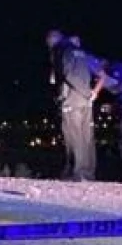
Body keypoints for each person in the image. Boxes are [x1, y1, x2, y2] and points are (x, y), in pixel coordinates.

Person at [45, 29, 97, 181]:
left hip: (72, 97)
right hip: (85, 99)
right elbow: (93, 71)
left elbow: (66, 75)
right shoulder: (81, 52)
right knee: (86, 136)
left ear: (52, 40)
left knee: (73, 136)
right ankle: (88, 173)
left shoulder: (61, 50)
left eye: (49, 43)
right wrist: (88, 92)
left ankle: (77, 172)